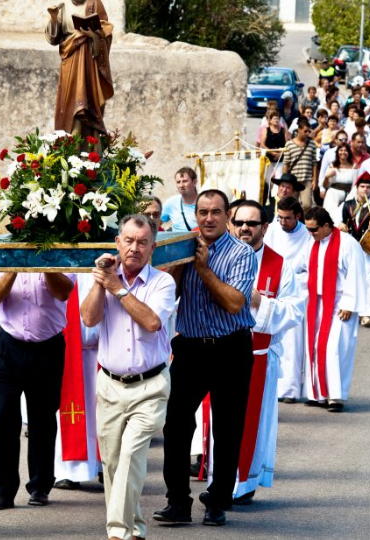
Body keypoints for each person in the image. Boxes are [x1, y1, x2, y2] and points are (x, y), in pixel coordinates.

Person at [155, 189, 256, 527]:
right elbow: (169, 296)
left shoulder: (241, 253)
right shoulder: (186, 246)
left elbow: (234, 303)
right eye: (203, 212)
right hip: (190, 348)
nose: (209, 219)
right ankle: (177, 503)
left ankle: (218, 501)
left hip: (231, 348)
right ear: (194, 215)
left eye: (216, 212)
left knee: (227, 428)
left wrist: (204, 268)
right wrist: (181, 266)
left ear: (227, 216)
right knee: (176, 425)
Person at [81, 214, 176, 540]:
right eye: (129, 241)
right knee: (112, 464)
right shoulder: (105, 278)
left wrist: (118, 289)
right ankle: (134, 528)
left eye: (142, 242)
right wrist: (100, 281)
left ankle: (118, 533)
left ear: (153, 247)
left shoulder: (162, 282)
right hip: (109, 385)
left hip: (149, 386)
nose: (135, 248)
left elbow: (151, 322)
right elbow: (90, 318)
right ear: (118, 242)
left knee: (132, 457)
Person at [225, 201, 304, 505]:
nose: (245, 228)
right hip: (220, 354)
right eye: (239, 222)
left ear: (264, 228)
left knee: (250, 423)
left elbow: (295, 310)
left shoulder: (279, 265)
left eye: (252, 223)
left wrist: (260, 302)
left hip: (258, 355)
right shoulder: (220, 258)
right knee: (221, 423)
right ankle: (219, 482)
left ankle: (242, 484)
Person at [0, 268, 74, 509]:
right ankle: (1, 490)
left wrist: (42, 263)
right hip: (8, 346)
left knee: (42, 419)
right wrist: (15, 266)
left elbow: (64, 292)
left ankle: (40, 485)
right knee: (3, 417)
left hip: (48, 348)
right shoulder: (4, 255)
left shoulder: (56, 252)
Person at [302, 207, 368, 412]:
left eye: (313, 229)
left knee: (334, 350)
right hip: (317, 302)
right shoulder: (312, 243)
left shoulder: (348, 244)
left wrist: (349, 303)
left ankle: (335, 396)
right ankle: (317, 394)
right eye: (308, 229)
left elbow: (356, 274)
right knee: (313, 347)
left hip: (339, 304)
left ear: (326, 226)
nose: (310, 233)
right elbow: (305, 270)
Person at [45, 0, 113, 138]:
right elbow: (53, 39)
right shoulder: (63, 5)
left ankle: (87, 140)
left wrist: (93, 35)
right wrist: (53, 19)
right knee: (68, 100)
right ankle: (68, 138)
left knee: (86, 101)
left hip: (89, 60)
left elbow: (105, 30)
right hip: (69, 56)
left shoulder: (94, 2)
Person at [53, 273, 102, 491]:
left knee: (104, 412)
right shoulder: (66, 263)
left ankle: (104, 465)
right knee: (70, 409)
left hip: (105, 350)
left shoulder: (106, 260)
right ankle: (70, 470)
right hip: (70, 348)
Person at [265, 197, 311, 402]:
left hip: (298, 287)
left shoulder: (307, 235)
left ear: (298, 217)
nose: (282, 222)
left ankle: (291, 389)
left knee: (293, 341)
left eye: (287, 219)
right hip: (274, 285)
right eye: (280, 217)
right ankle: (275, 386)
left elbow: (311, 264)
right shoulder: (274, 229)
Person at [339, 172, 370, 327]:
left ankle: (366, 314)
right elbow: (334, 222)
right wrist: (340, 226)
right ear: (357, 188)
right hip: (350, 248)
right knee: (347, 278)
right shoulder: (346, 205)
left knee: (368, 280)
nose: (365, 190)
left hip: (369, 249)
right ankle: (349, 308)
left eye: (368, 187)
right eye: (362, 187)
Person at [283, 119, 319, 210]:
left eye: (309, 131)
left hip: (306, 179)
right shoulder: (289, 144)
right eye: (305, 131)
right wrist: (284, 180)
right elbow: (286, 163)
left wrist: (315, 180)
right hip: (293, 180)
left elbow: (314, 163)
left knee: (307, 205)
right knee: (291, 205)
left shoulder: (312, 144)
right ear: (299, 130)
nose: (307, 133)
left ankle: (303, 220)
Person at [321, 143, 357, 224]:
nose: (343, 152)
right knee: (330, 217)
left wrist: (351, 197)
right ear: (337, 152)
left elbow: (355, 185)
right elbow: (325, 185)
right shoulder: (332, 165)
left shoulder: (354, 166)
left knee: (345, 218)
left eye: (345, 150)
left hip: (348, 195)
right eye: (341, 150)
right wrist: (327, 177)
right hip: (333, 194)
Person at [161, 167, 198, 232]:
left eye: (185, 181)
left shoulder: (204, 202)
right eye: (178, 182)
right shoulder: (171, 202)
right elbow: (157, 222)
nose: (181, 185)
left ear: (194, 182)